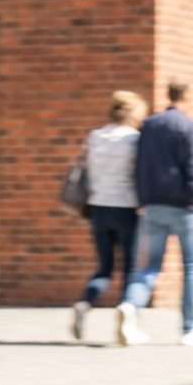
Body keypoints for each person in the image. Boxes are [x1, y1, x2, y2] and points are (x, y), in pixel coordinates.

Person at [116, 80, 193, 347]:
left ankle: (130, 305)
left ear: (168, 95)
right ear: (188, 95)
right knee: (192, 267)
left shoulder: (148, 125)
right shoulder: (189, 126)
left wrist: (142, 199)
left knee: (148, 267)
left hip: (152, 207)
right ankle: (190, 329)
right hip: (184, 208)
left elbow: (138, 165)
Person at [71, 90, 148, 341]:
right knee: (130, 268)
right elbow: (140, 174)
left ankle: (84, 303)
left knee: (104, 268)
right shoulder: (135, 140)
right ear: (134, 113)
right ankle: (127, 314)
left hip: (98, 209)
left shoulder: (96, 136)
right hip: (126, 208)